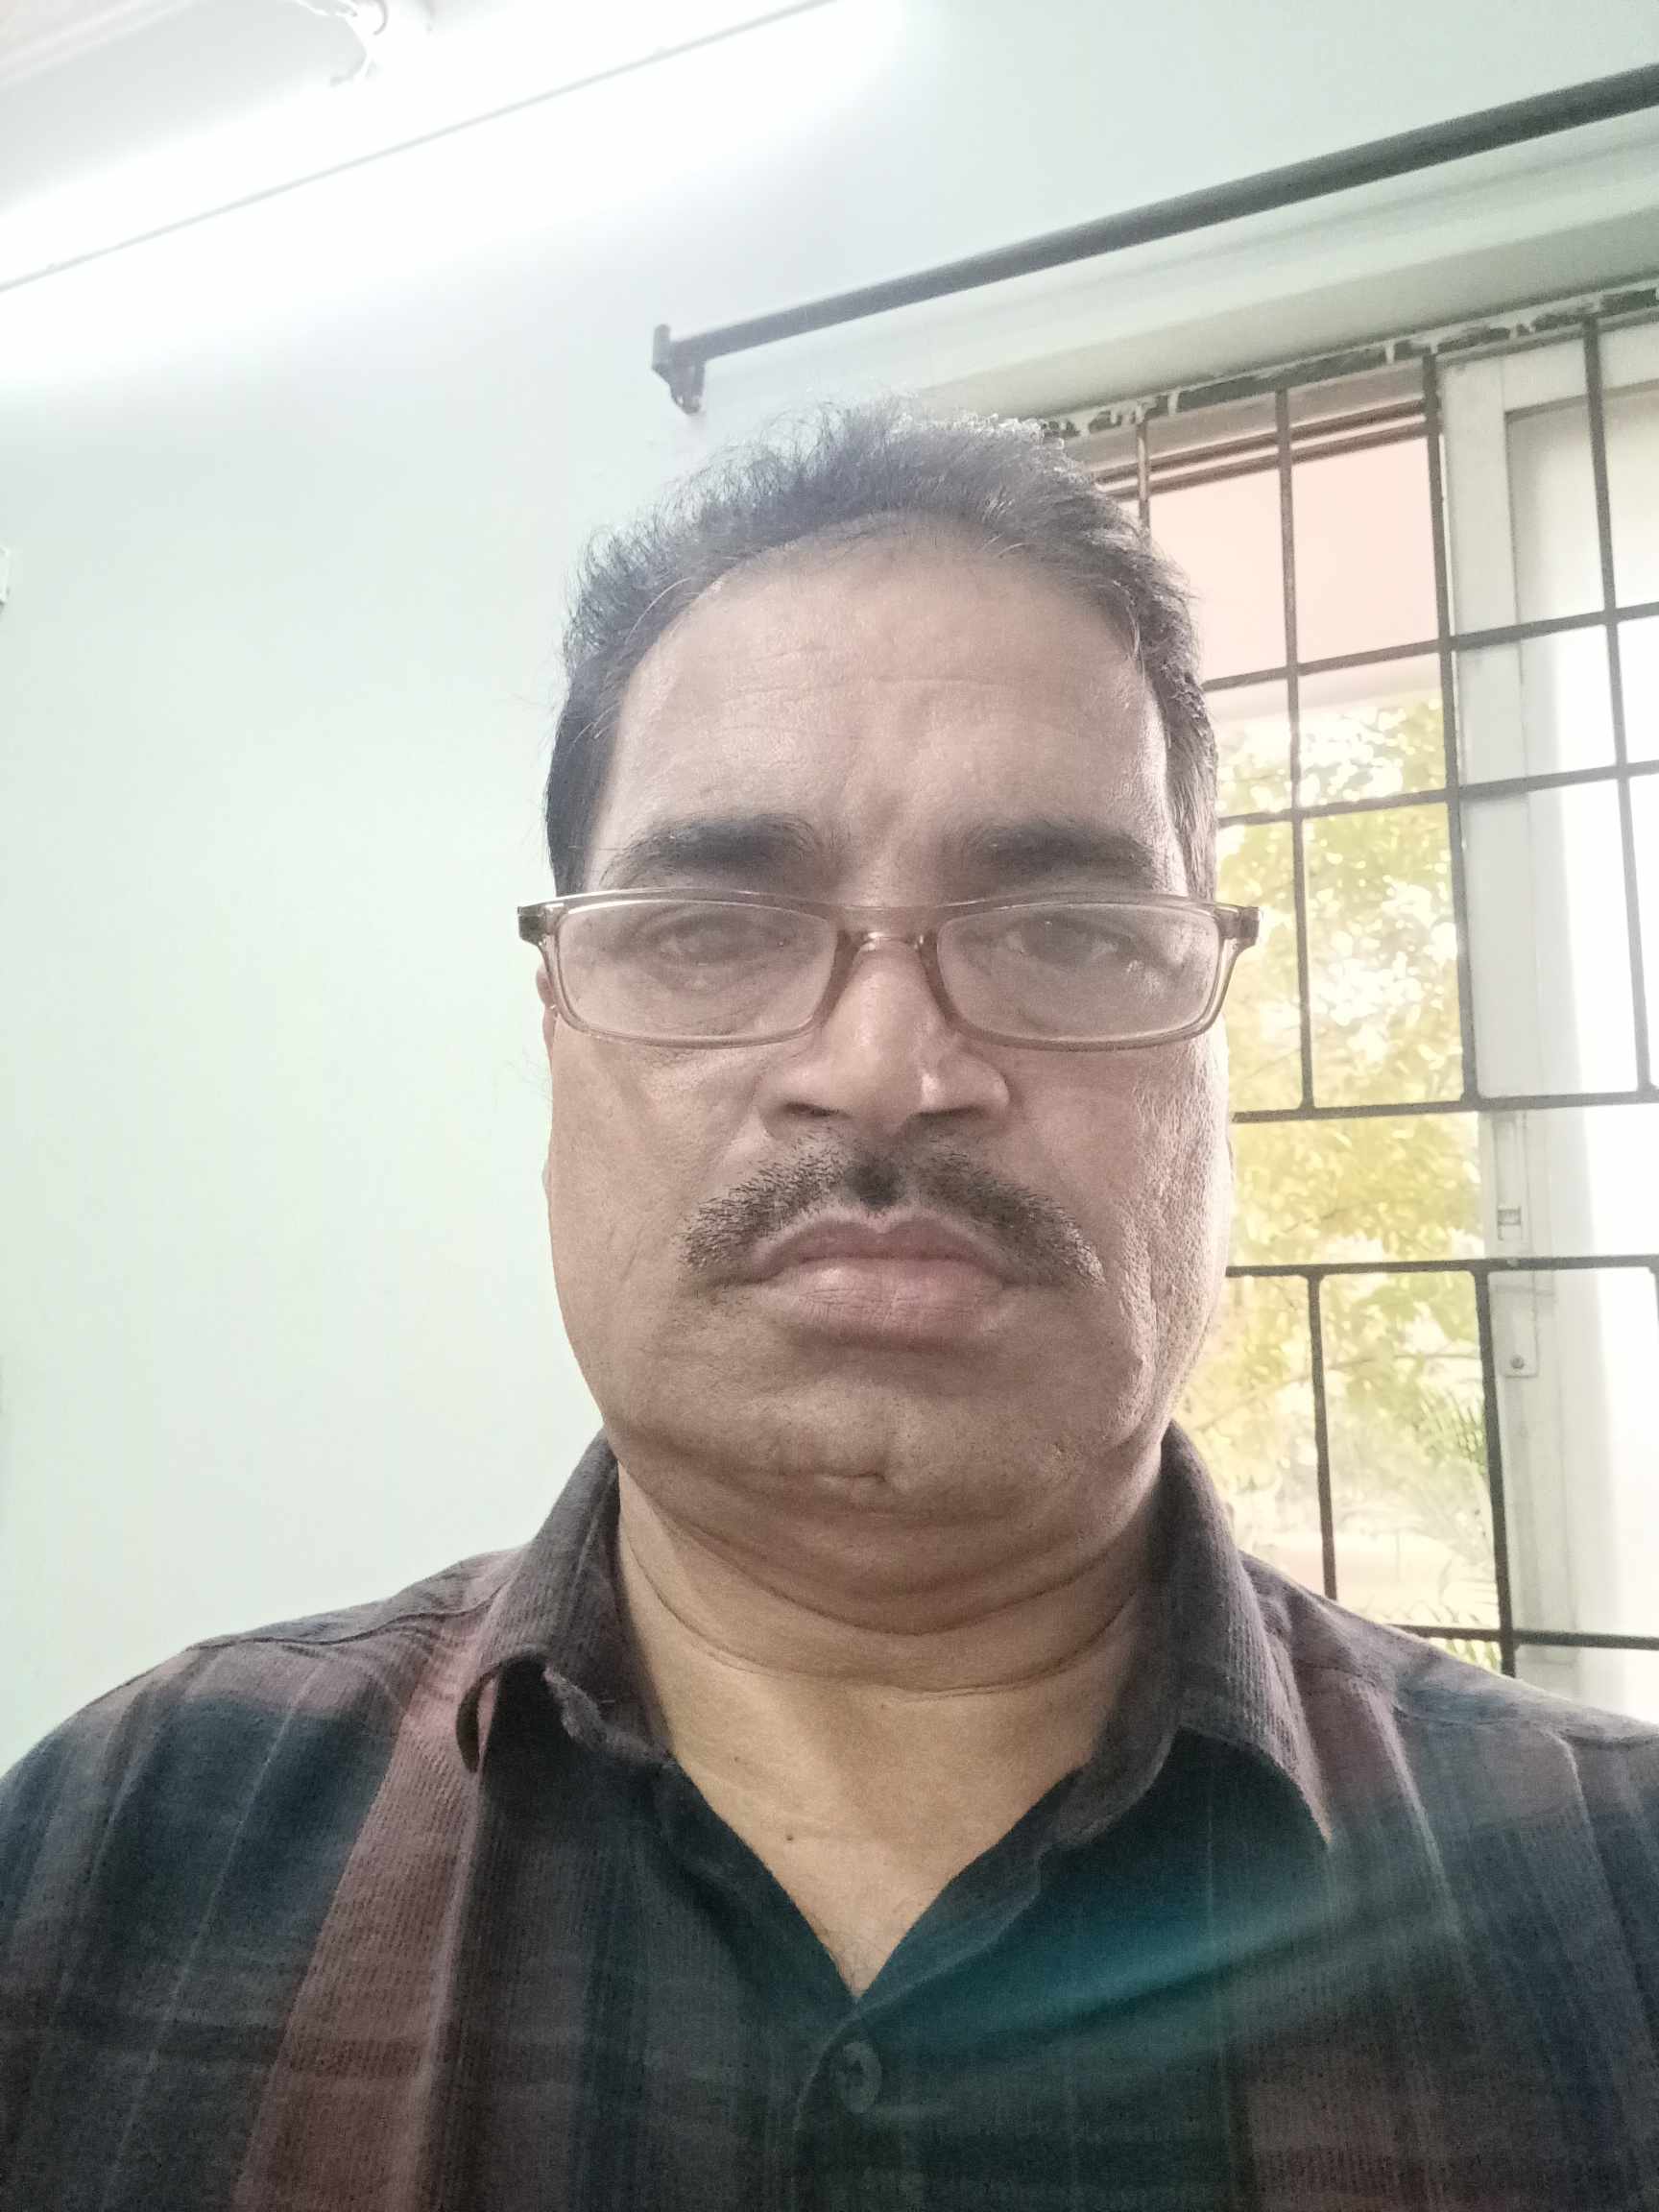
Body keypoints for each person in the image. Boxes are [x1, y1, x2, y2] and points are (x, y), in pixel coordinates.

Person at [2, 400, 1656, 2212]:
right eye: (712, 928)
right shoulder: (108, 1856)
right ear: (559, 1038)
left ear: (1209, 1046)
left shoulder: (1616, 1911)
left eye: (1065, 931)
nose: (883, 1071)